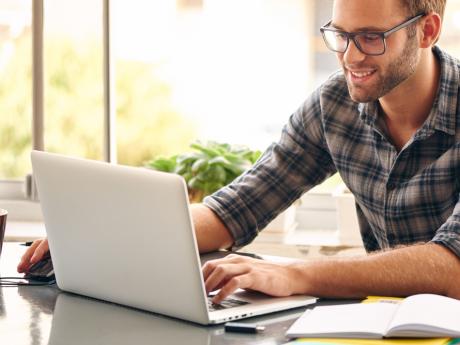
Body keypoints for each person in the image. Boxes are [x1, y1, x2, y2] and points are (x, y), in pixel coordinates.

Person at [18, 0, 460, 304]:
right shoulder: (335, 105)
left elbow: (451, 267)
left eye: (370, 37)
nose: (350, 57)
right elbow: (234, 210)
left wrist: (294, 273)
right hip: (389, 326)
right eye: (339, 35)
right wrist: (96, 236)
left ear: (427, 31)